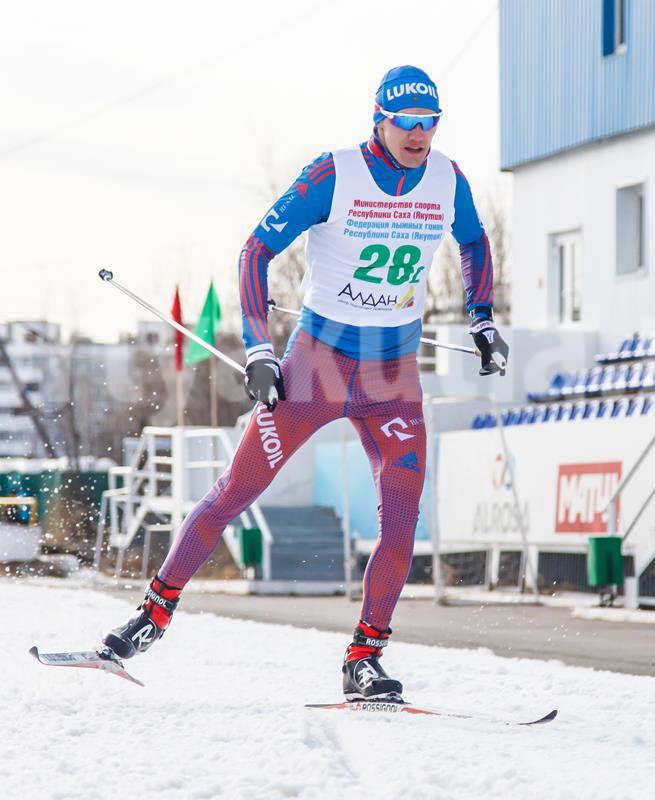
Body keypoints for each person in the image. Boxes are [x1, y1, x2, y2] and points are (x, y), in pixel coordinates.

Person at [102, 66, 508, 702]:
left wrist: (484, 321)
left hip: (393, 374)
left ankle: (365, 657)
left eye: (430, 123)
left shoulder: (447, 178)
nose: (419, 135)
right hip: (317, 364)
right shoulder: (333, 174)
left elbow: (475, 242)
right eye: (406, 122)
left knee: (402, 522)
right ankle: (151, 616)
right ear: (379, 119)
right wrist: (259, 348)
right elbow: (255, 253)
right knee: (235, 492)